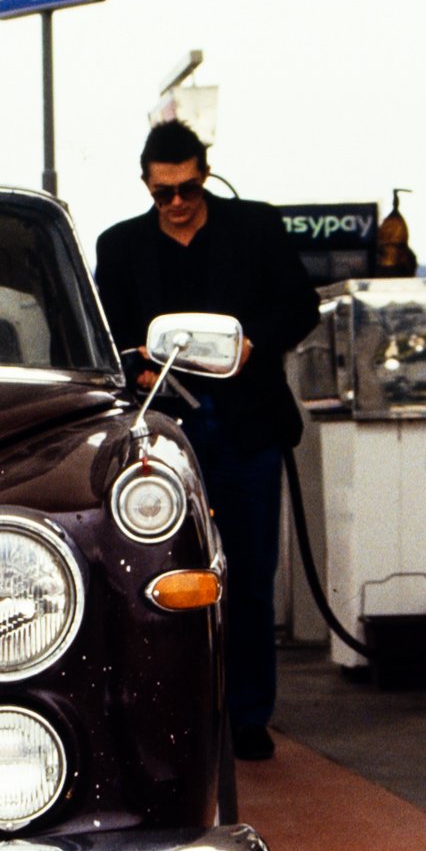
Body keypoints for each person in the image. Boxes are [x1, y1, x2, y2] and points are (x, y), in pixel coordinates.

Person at [93, 119, 320, 761]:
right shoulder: (121, 247)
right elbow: (107, 333)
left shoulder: (255, 228)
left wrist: (257, 343)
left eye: (188, 188)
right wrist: (133, 366)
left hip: (246, 423)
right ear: (146, 185)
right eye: (163, 193)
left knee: (248, 574)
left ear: (205, 173)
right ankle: (172, 715)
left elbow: (300, 306)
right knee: (160, 576)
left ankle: (248, 716)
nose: (177, 204)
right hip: (165, 433)